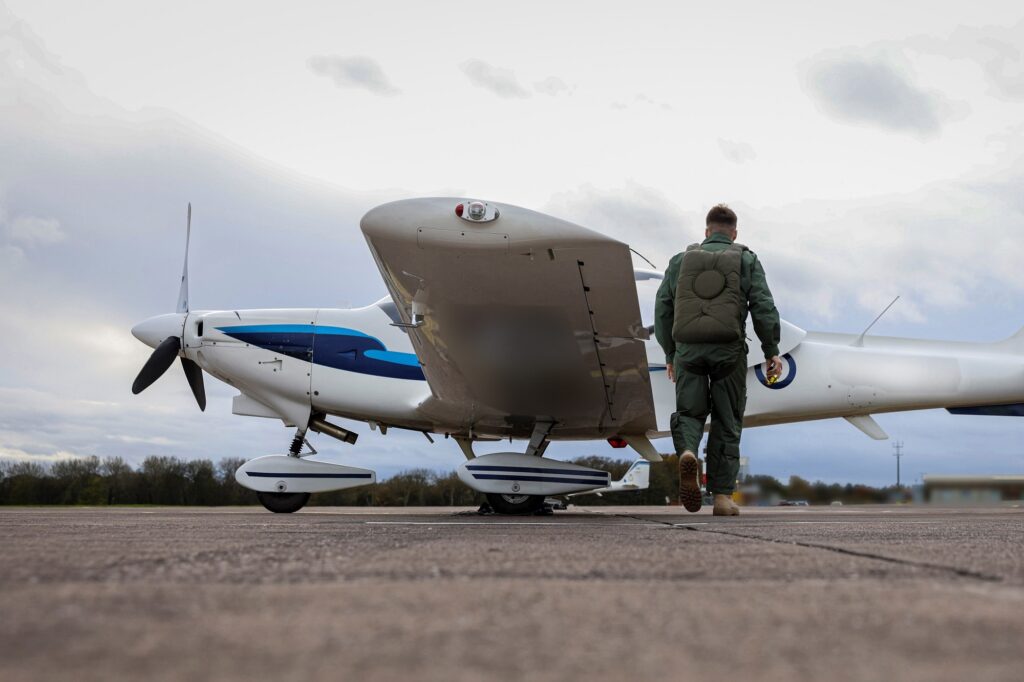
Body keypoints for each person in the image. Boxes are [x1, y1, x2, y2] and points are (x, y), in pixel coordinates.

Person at [654, 204, 782, 516]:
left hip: (688, 350)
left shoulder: (680, 261)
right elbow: (763, 306)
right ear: (734, 233)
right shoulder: (746, 259)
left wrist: (670, 352)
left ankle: (687, 452)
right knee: (727, 420)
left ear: (706, 231)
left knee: (689, 412)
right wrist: (771, 350)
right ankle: (723, 498)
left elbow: (663, 307)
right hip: (728, 352)